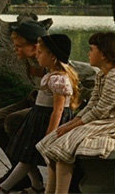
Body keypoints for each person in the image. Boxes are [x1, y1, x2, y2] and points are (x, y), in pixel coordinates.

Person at [0, 34, 79, 193]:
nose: (37, 55)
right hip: (37, 119)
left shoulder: (59, 79)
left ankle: (4, 188)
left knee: (26, 158)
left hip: (46, 122)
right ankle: (37, 185)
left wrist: (50, 133)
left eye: (41, 52)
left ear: (52, 56)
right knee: (25, 153)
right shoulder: (50, 75)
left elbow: (58, 110)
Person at [37, 32, 115, 194]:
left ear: (104, 54)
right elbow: (92, 104)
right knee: (52, 140)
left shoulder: (114, 77)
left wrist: (73, 126)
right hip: (98, 119)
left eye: (91, 49)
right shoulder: (102, 74)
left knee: (64, 147)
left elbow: (101, 110)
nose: (88, 53)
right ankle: (49, 191)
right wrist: (72, 123)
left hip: (108, 122)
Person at [0, 21, 47, 188]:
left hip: (49, 105)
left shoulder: (49, 60)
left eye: (19, 46)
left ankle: (25, 172)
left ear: (35, 47)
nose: (15, 49)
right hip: (35, 98)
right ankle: (19, 172)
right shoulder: (28, 59)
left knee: (14, 120)